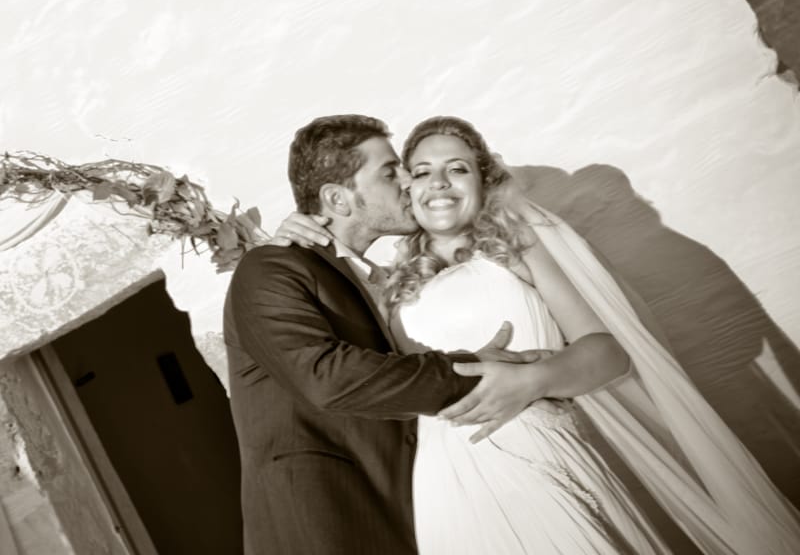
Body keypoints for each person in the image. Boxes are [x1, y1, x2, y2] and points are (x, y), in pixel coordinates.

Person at [278, 115, 800, 555]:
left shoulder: (516, 245)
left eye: (457, 168)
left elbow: (609, 355)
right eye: (419, 171)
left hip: (543, 452)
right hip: (447, 482)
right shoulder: (389, 282)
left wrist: (533, 380)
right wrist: (293, 236)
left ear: (483, 182)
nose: (438, 182)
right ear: (407, 190)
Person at [223, 114, 543, 555]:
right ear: (338, 198)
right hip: (320, 521)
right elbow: (326, 378)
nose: (408, 181)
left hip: (405, 512)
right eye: (390, 172)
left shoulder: (381, 278)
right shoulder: (270, 267)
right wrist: (476, 371)